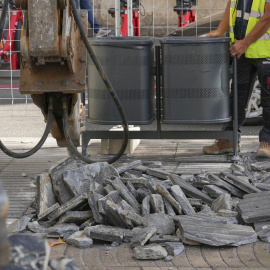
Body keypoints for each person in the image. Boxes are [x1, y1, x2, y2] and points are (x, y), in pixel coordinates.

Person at [202, 0, 270, 157]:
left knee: (268, 100)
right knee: (237, 97)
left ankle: (267, 141)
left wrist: (245, 43)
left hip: (265, 50)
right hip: (241, 49)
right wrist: (220, 30)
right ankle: (229, 140)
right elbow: (232, 5)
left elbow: (268, 17)